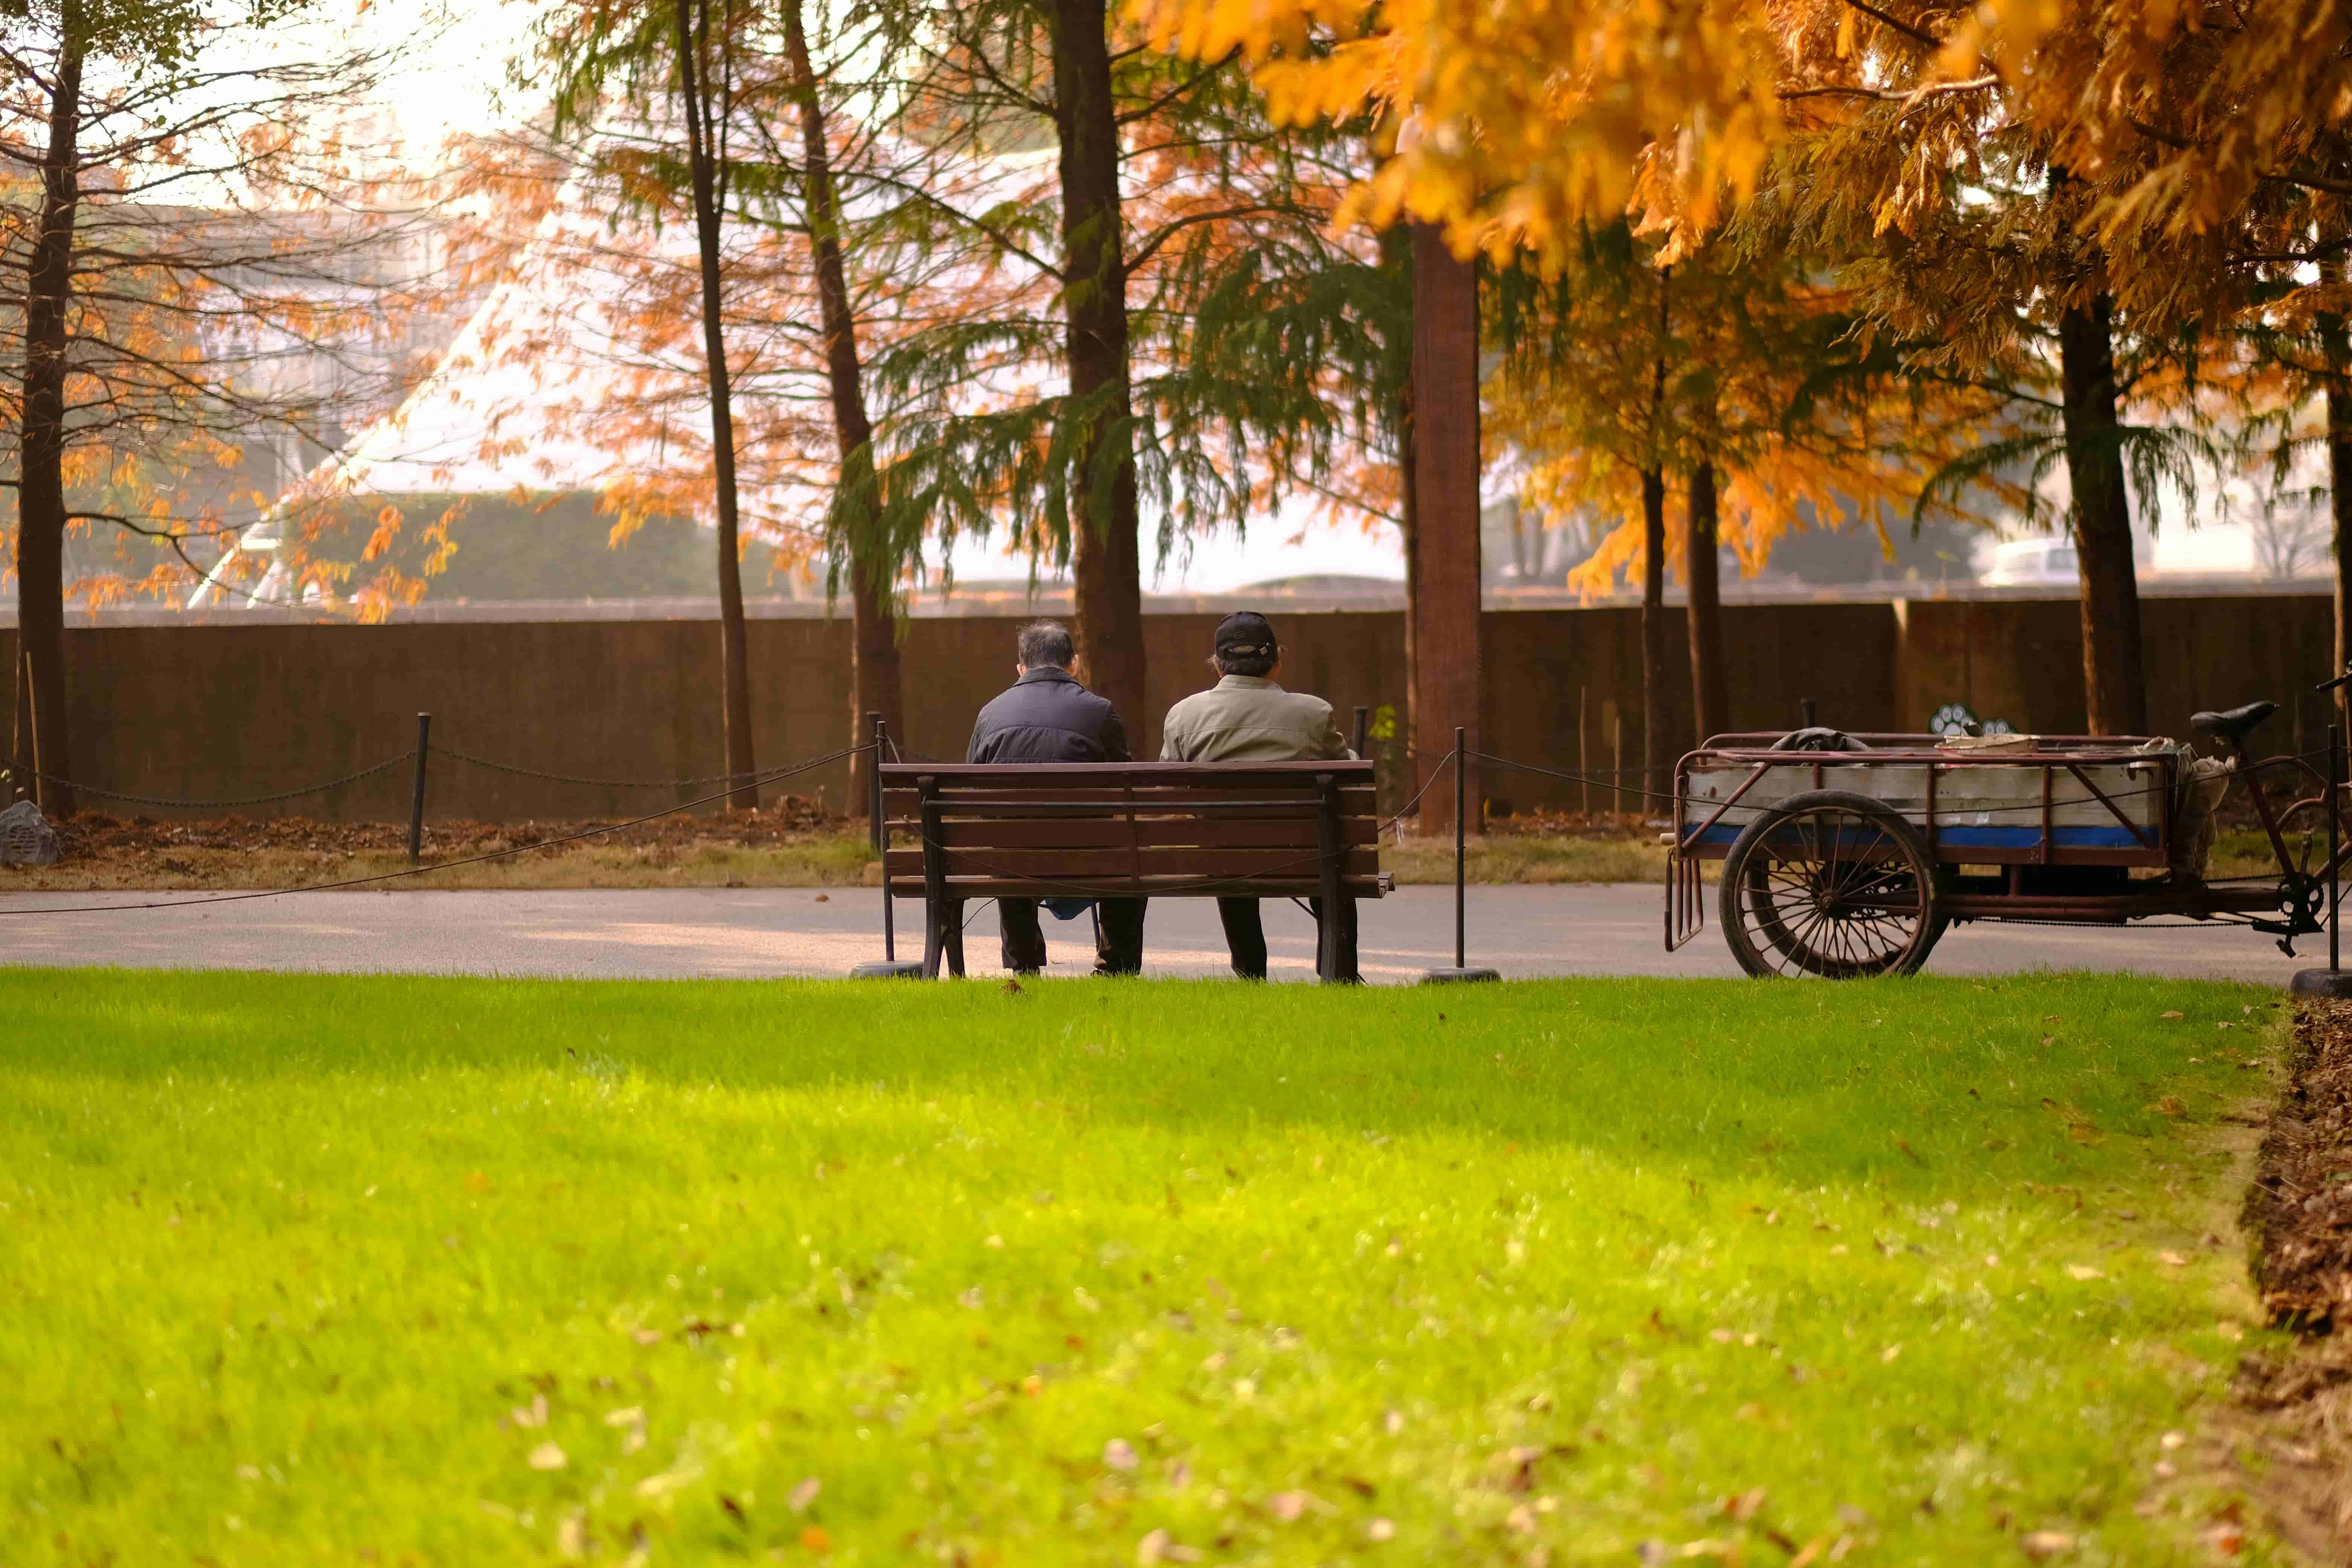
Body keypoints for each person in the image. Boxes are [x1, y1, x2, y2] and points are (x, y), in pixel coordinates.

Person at [1160, 611, 1358, 980]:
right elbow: (1347, 771)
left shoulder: (1183, 716)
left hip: (1226, 858)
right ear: (1276, 662)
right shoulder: (1314, 713)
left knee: (1228, 846)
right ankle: (1339, 972)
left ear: (1219, 665)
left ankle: (1250, 971)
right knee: (1330, 852)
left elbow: (1171, 786)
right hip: (1307, 855)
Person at [961, 620, 1145, 975]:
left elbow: (974, 794)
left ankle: (1023, 964)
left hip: (1012, 859)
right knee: (1128, 854)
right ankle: (1115, 966)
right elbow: (1126, 790)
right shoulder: (1100, 711)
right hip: (1088, 854)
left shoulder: (990, 714)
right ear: (1073, 664)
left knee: (1007, 839)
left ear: (1021, 667)